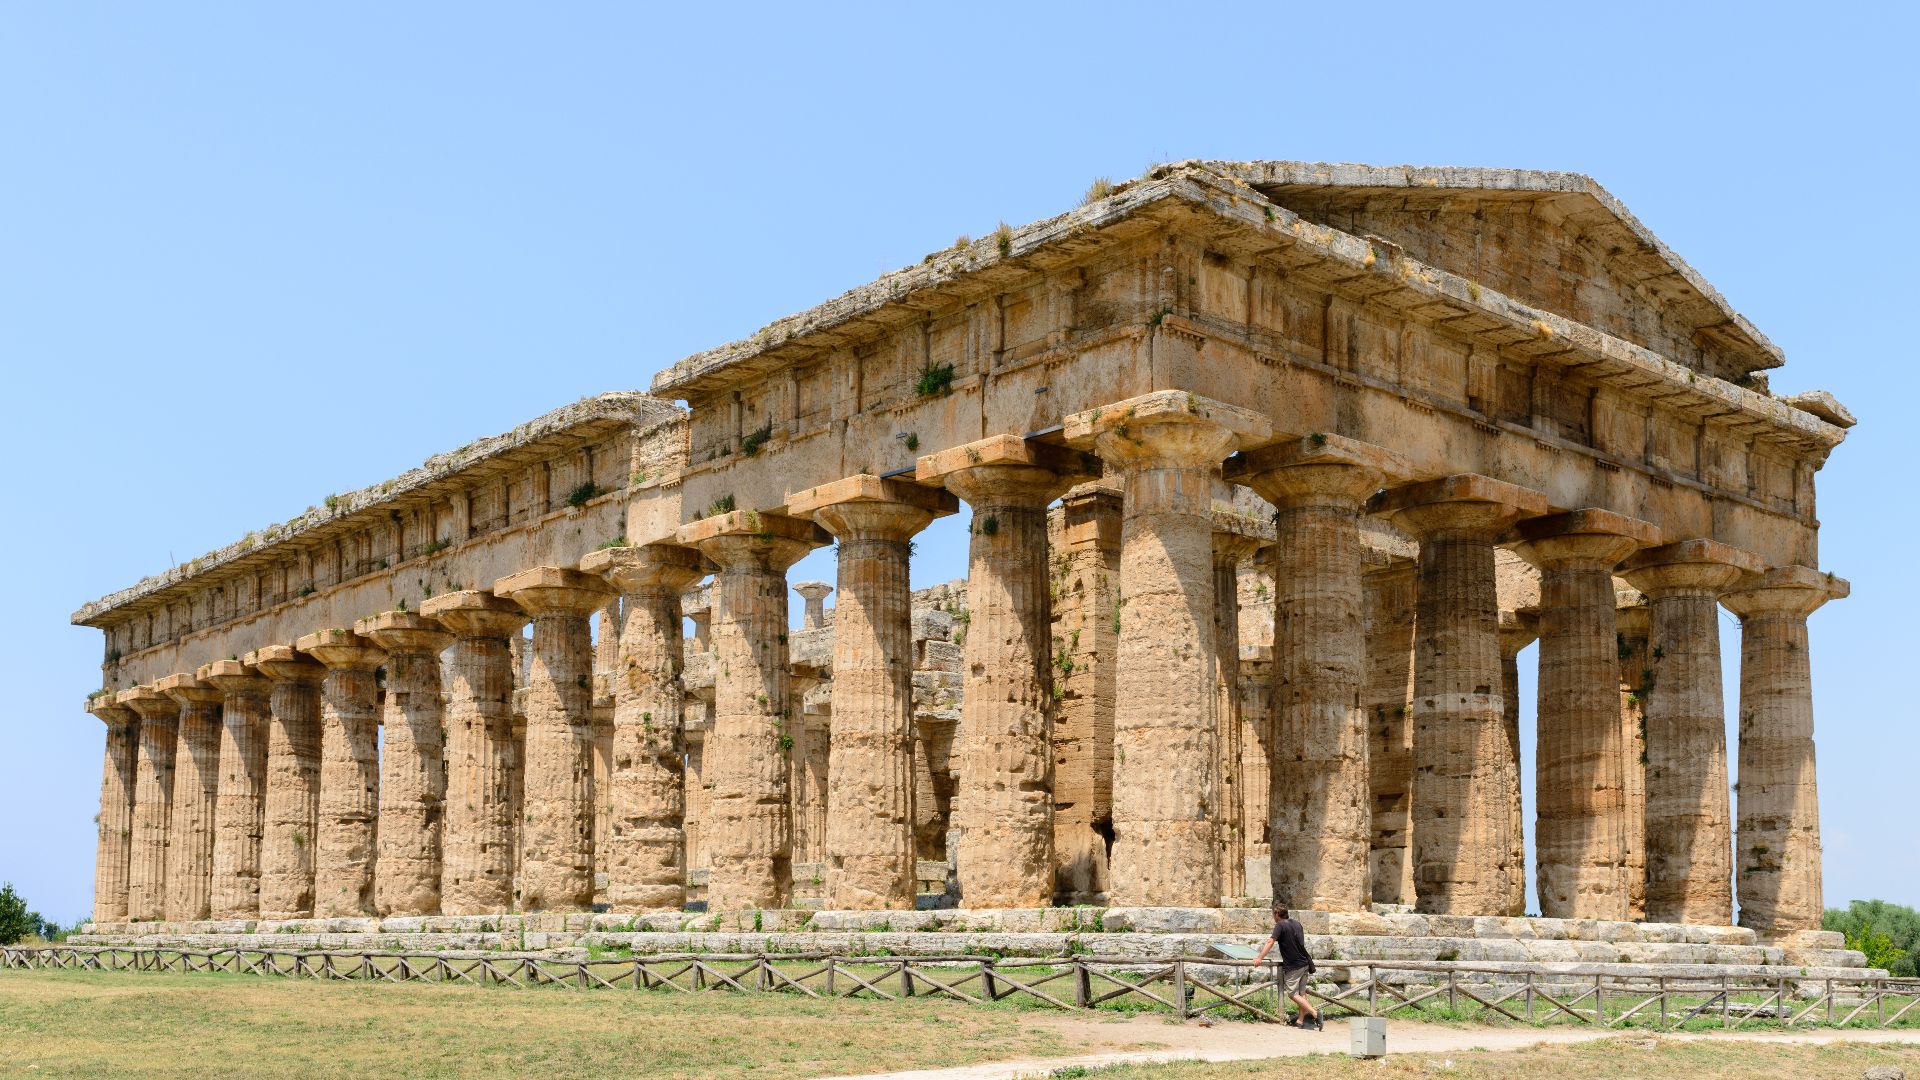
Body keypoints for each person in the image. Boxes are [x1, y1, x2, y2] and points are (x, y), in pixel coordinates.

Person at [1252, 904, 1321, 1029]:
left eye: (1273, 914)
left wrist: (1260, 958)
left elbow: (1270, 941)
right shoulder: (1297, 924)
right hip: (1304, 962)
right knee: (1301, 992)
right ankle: (1300, 1021)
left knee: (1292, 994)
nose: (1273, 917)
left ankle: (1314, 1013)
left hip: (1294, 965)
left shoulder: (1280, 925)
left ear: (1277, 914)